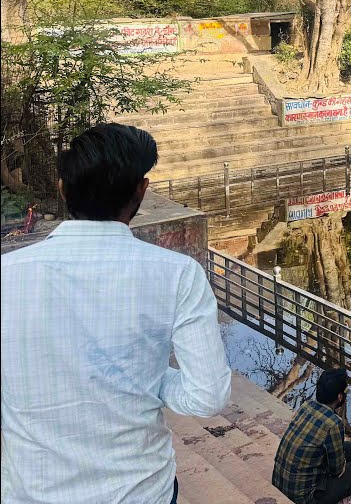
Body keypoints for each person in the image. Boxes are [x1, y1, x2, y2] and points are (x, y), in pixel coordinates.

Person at [1, 123, 231, 504]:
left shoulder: (7, 275)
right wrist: (148, 378)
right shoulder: (177, 275)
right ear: (141, 191)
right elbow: (207, 397)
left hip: (31, 492)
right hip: (141, 491)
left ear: (62, 189)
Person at [273, 369, 351, 504]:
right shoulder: (333, 423)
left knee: (349, 448)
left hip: (283, 484)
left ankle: (340, 498)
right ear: (340, 397)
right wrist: (342, 468)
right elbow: (337, 470)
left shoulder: (307, 406)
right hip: (305, 497)